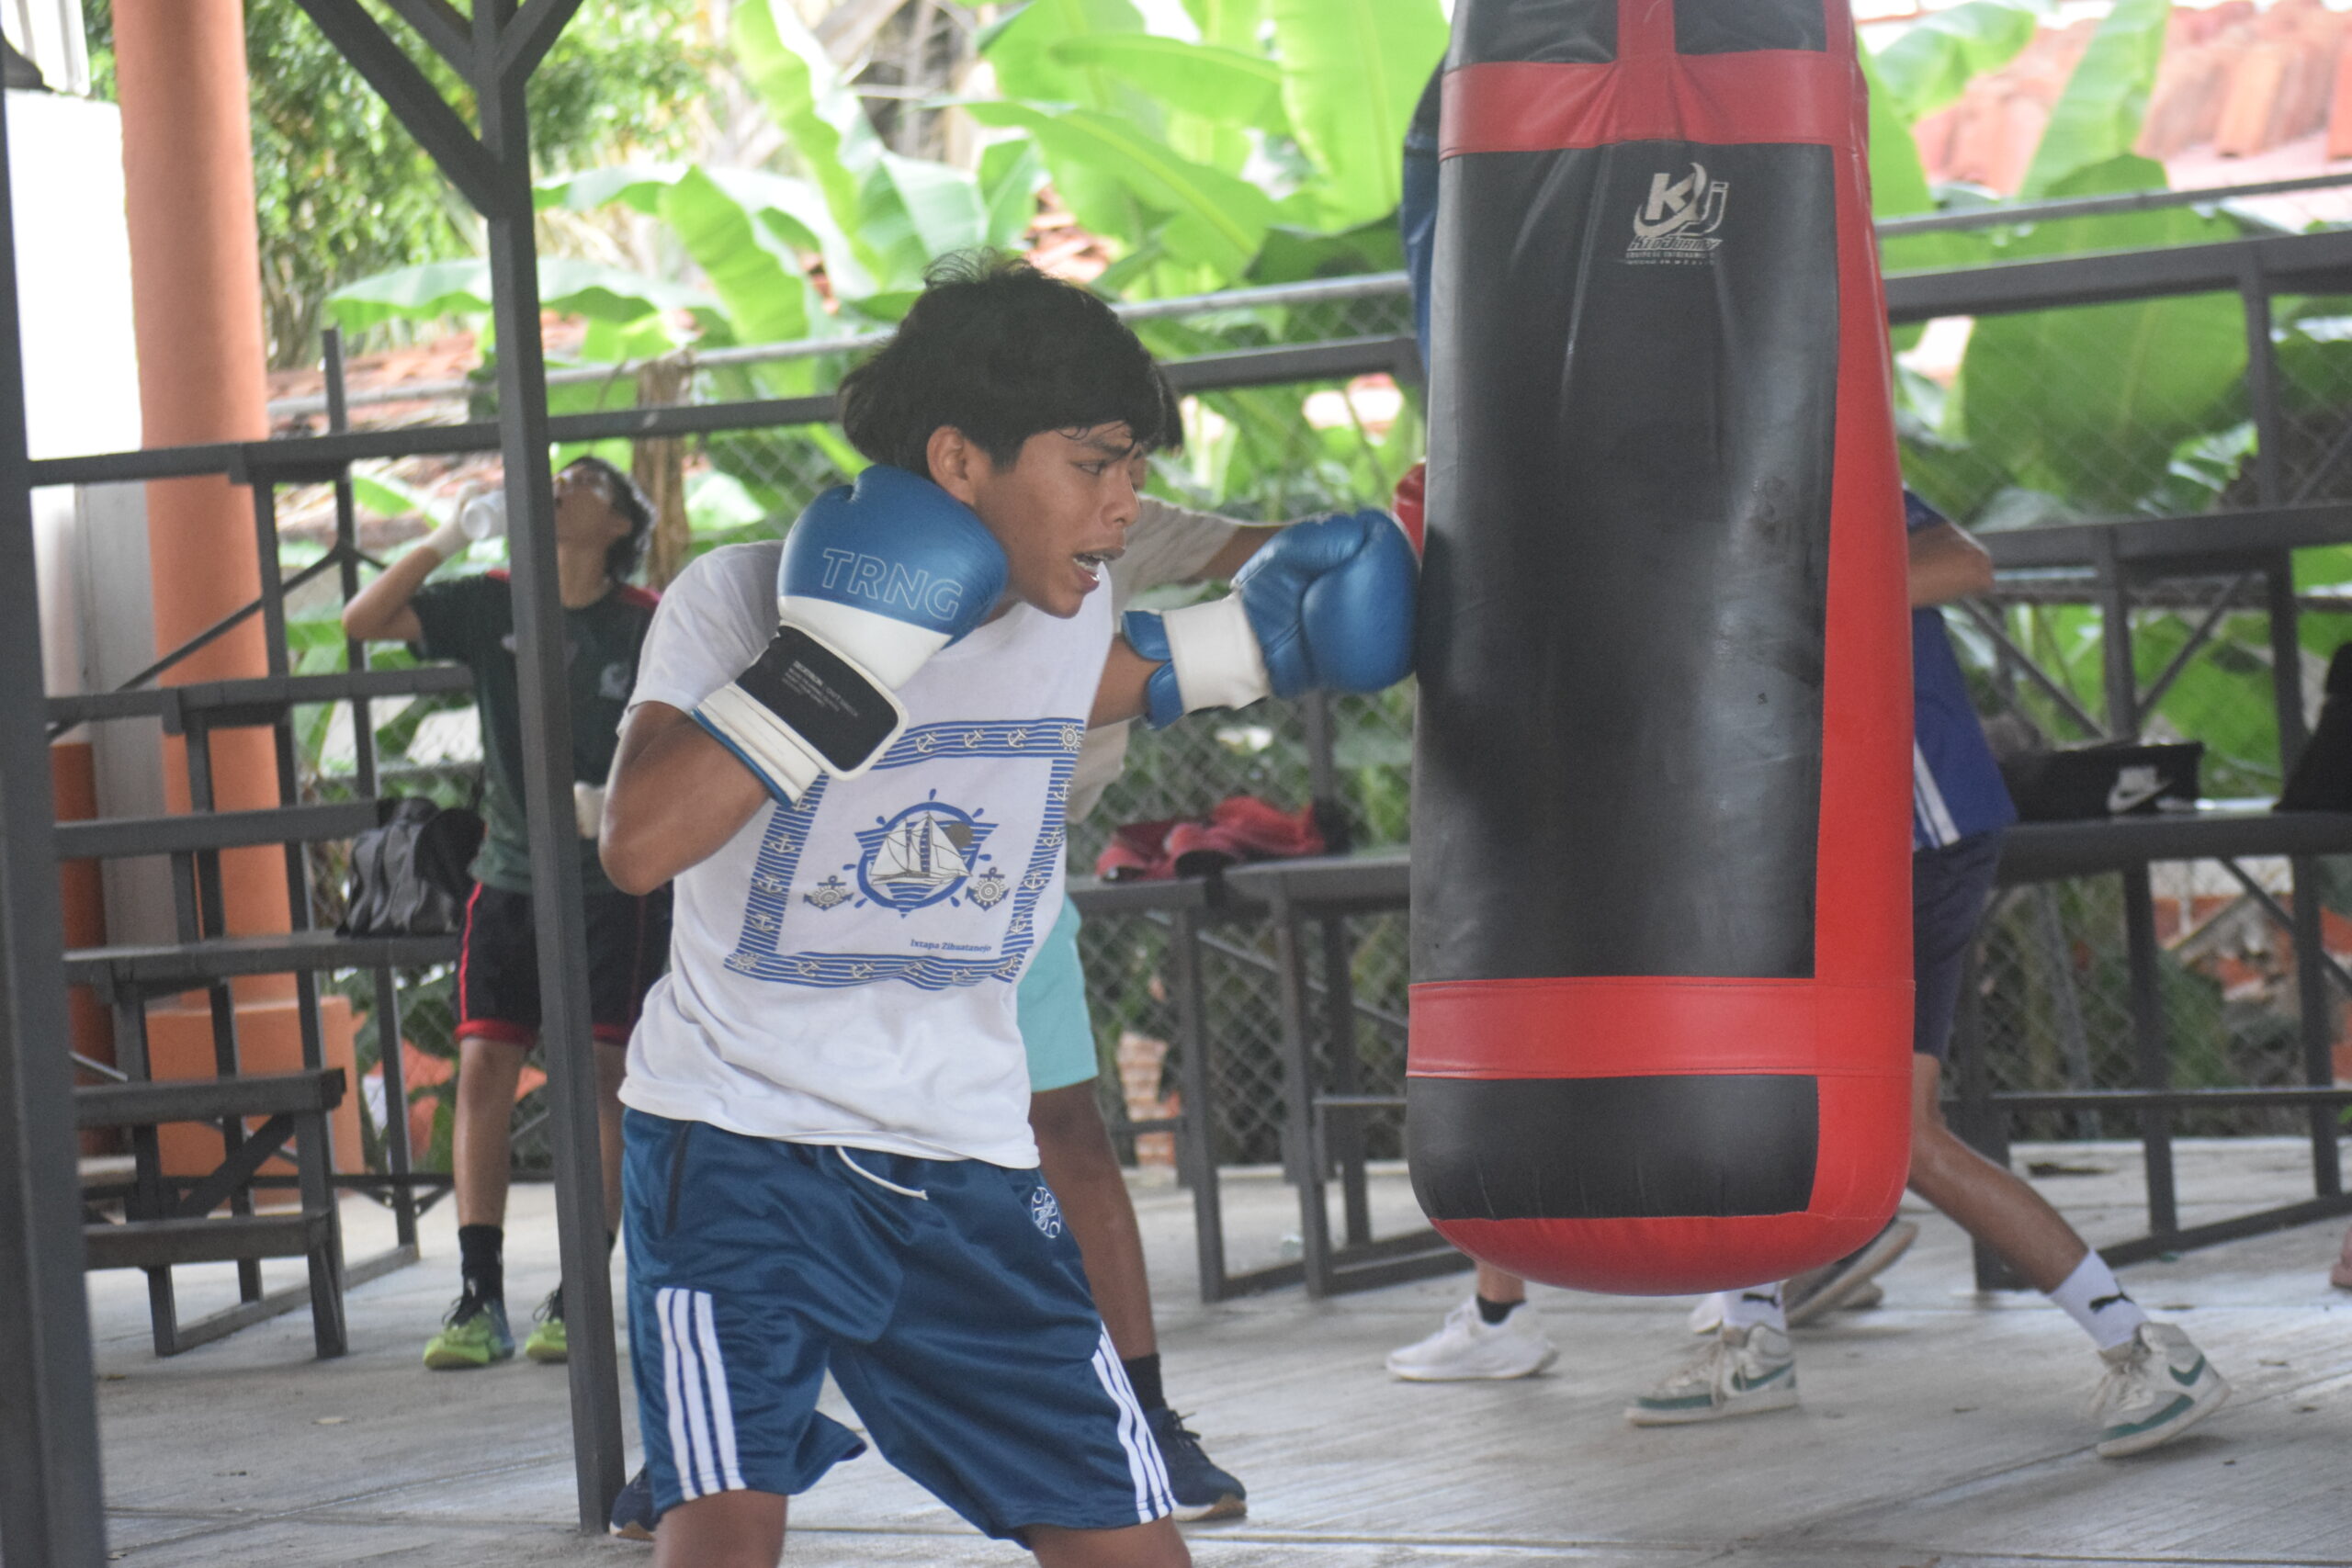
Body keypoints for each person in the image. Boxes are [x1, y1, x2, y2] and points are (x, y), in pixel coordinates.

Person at [596, 253, 1413, 1563]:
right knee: (723, 1540)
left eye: (1134, 466)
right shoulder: (735, 597)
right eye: (1096, 464)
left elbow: (1200, 655)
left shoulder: (1068, 626)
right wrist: (842, 657)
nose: (1123, 504)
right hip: (736, 1151)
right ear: (960, 458)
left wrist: (1295, 630)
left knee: (1134, 1549)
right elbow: (640, 841)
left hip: (965, 1166)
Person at [341, 456, 670, 1371]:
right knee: (485, 1063)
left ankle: (577, 1289)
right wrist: (450, 532)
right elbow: (363, 621)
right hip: (512, 876)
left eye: (587, 481)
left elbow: (700, 731)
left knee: (603, 1074)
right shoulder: (496, 600)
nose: (560, 486)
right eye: (553, 476)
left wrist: (619, 801)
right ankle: (478, 1294)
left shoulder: (647, 624)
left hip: (614, 885)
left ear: (619, 526)